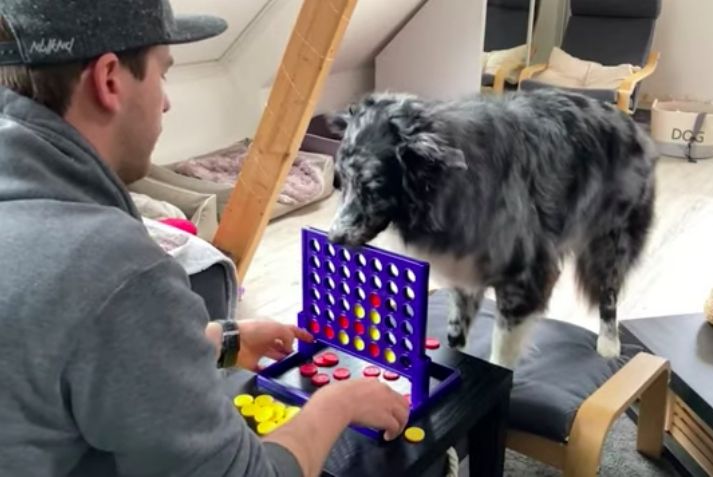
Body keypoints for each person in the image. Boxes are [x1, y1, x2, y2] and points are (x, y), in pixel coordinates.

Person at [0, 1, 409, 476]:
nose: (166, 102)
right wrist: (338, 403)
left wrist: (215, 341)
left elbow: (58, 357)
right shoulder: (117, 268)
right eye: (163, 75)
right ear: (109, 79)